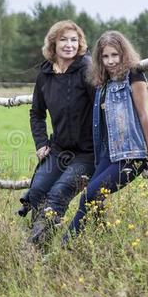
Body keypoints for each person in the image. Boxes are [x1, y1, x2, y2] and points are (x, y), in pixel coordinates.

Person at [61, 30, 148, 245]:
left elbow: (144, 115)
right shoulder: (103, 82)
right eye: (105, 56)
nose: (111, 61)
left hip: (132, 154)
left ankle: (64, 246)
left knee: (89, 196)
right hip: (109, 153)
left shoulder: (134, 75)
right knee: (92, 197)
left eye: (115, 55)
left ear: (124, 54)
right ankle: (104, 242)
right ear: (99, 59)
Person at [26, 20, 96, 247]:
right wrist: (41, 142)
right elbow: (36, 113)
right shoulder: (45, 75)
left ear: (80, 43)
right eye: (63, 40)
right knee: (36, 191)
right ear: (53, 43)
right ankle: (43, 244)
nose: (69, 45)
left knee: (58, 193)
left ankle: (33, 250)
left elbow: (100, 107)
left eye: (74, 40)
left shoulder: (87, 69)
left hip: (88, 151)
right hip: (59, 149)